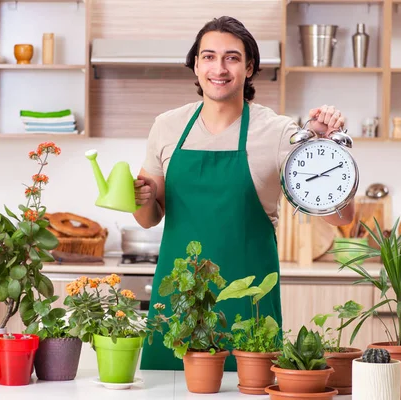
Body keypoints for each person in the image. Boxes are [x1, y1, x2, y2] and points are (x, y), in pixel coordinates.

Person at [135, 16, 355, 371]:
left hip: (250, 308)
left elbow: (342, 217)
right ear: (195, 65)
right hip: (179, 304)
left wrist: (330, 150)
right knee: (166, 389)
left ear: (249, 67)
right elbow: (149, 218)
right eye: (208, 56)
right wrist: (141, 199)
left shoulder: (280, 131)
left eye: (232, 58)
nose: (218, 68)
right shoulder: (167, 125)